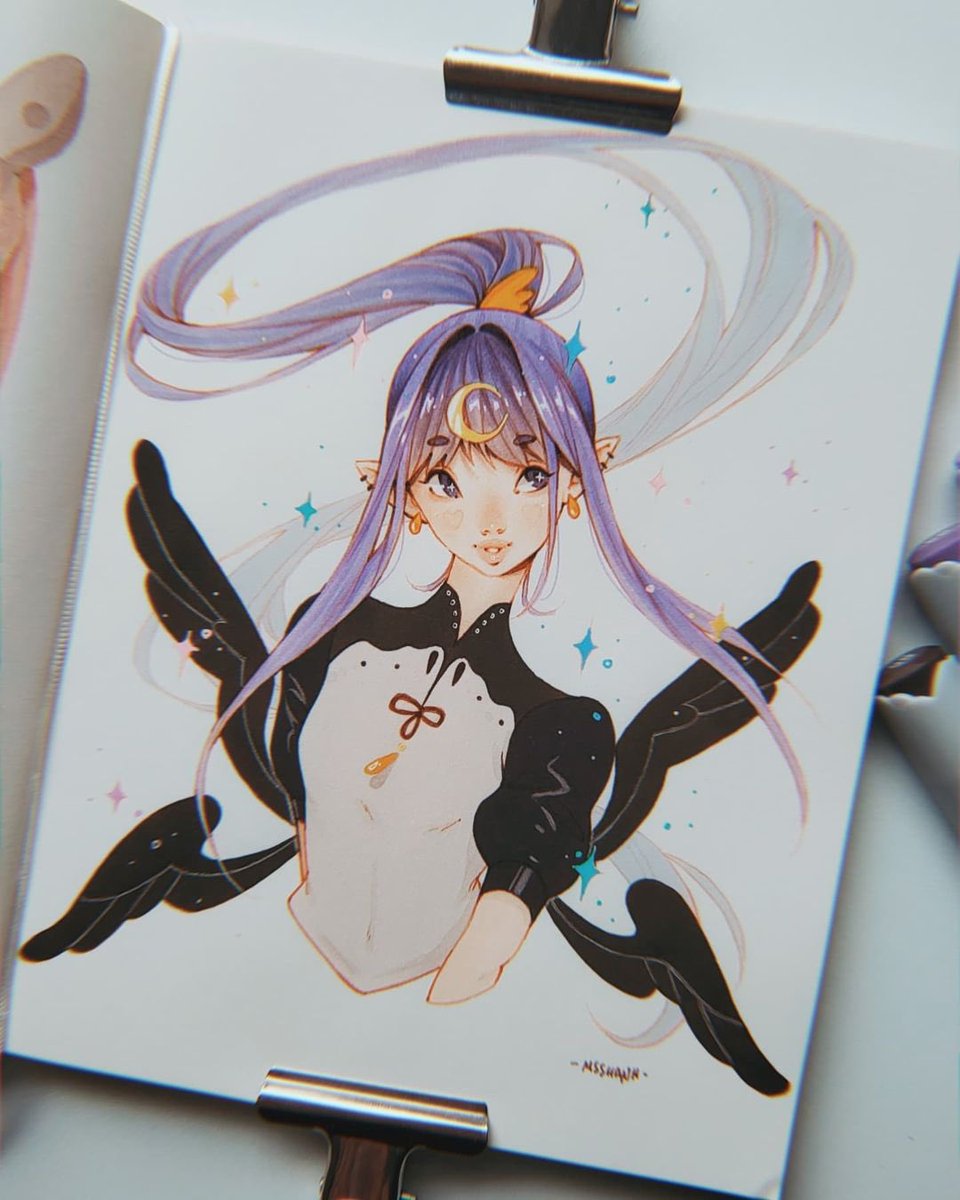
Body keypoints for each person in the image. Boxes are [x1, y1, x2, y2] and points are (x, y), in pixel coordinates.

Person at [22, 132, 849, 1094]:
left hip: (439, 999)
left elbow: (510, 905)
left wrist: (458, 984)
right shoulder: (335, 639)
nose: (490, 520)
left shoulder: (563, 723)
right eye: (448, 480)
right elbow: (292, 772)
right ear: (404, 488)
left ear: (578, 482)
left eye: (528, 475)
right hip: (286, 948)